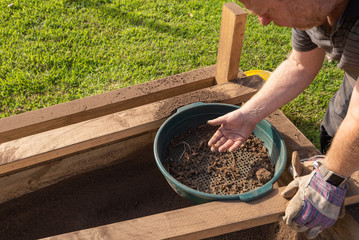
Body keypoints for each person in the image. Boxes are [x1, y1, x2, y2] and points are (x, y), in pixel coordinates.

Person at [208, 0, 359, 238]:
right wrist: (249, 114)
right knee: (336, 137)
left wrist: (329, 180)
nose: (264, 21)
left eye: (267, 11)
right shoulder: (310, 12)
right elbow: (300, 64)